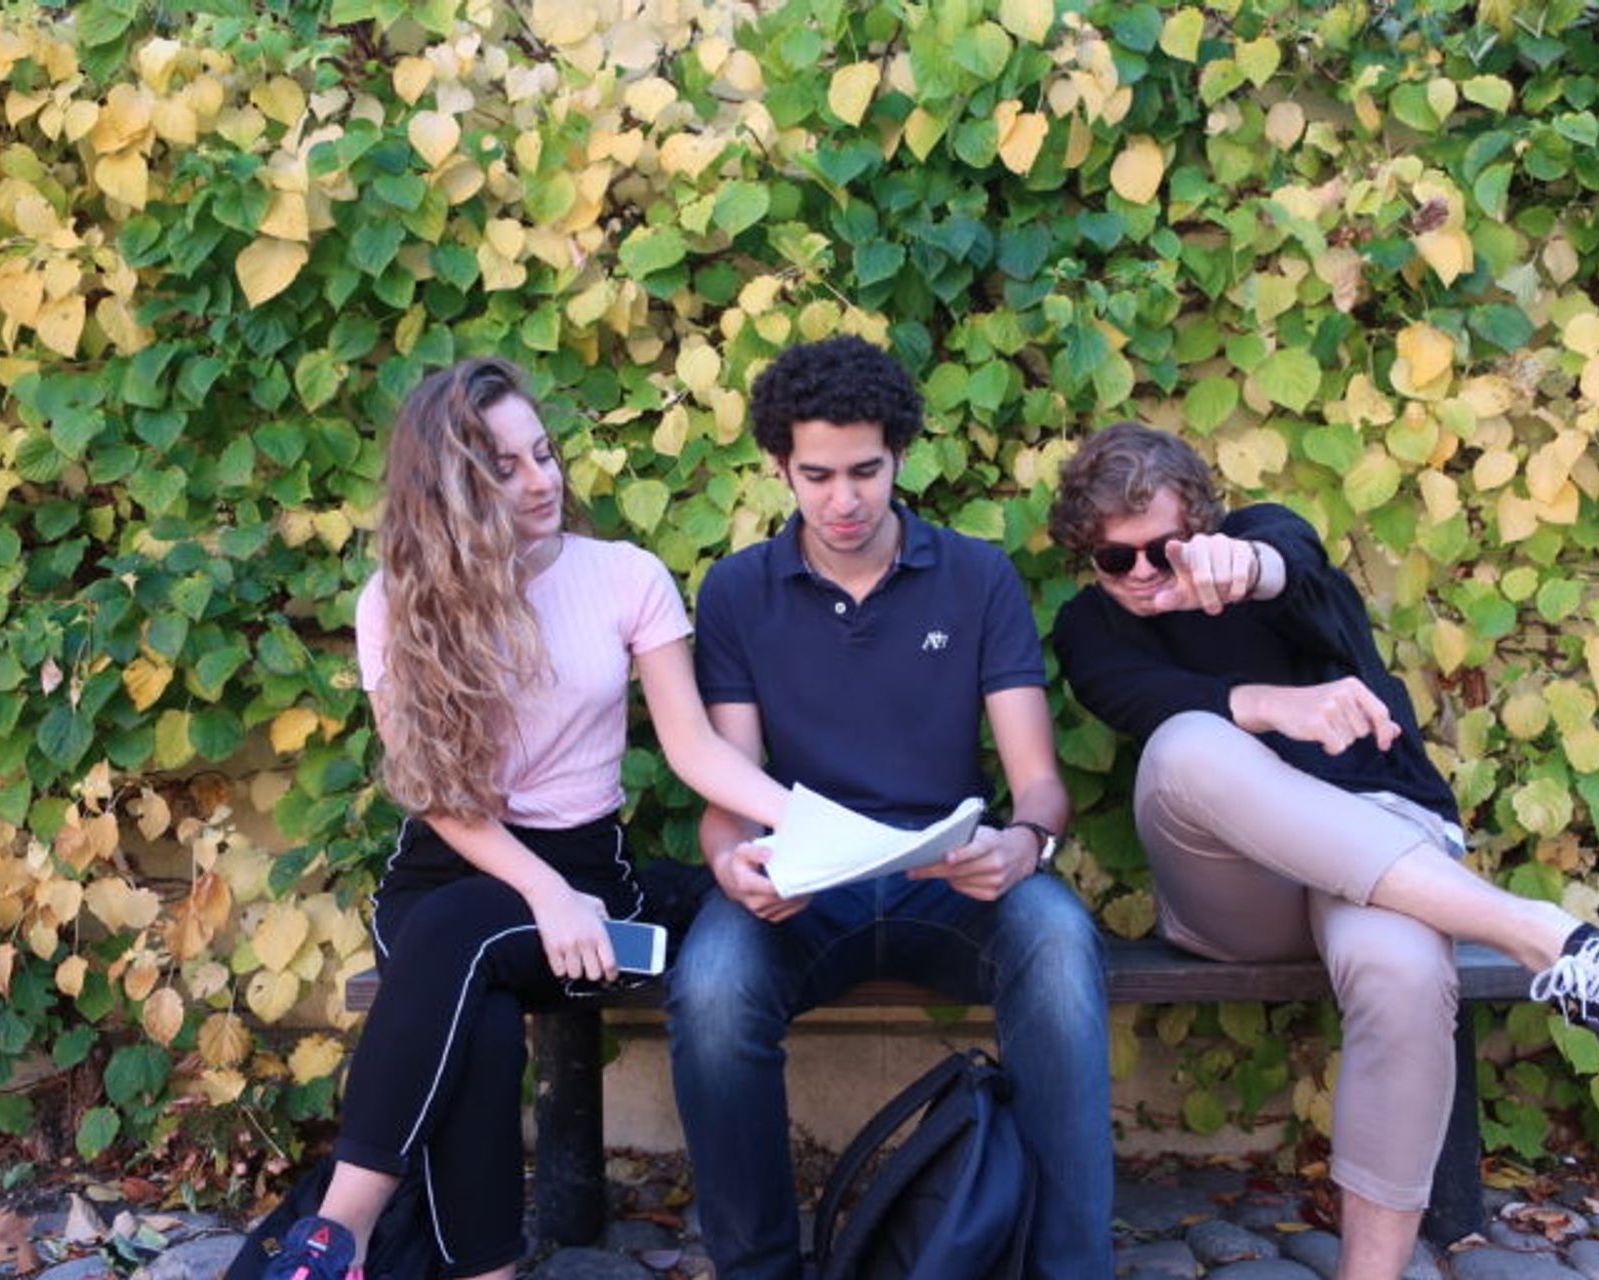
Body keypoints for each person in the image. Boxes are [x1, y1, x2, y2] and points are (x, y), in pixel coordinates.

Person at [1047, 422, 1599, 1280]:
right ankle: (1541, 935)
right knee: (1183, 746)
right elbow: (1155, 708)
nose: (1142, 574)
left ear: (1204, 526)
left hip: (1386, 842)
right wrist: (1279, 708)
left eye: (1164, 551)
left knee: (1401, 971)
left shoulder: (1266, 543)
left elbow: (1288, 565)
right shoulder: (1087, 631)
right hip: (1241, 885)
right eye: (1115, 559)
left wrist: (1240, 570)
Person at [262, 357, 791, 1280]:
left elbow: (695, 751)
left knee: (458, 941)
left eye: (542, 454)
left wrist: (823, 825)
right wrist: (538, 892)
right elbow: (433, 792)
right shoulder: (395, 602)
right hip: (451, 863)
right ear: (450, 488)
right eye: (503, 469)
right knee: (477, 1001)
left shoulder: (624, 575)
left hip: (588, 878)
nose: (542, 481)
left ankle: (337, 1231)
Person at [665, 335, 1115, 1280]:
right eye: (817, 474)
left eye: (866, 470)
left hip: (949, 880)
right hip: (807, 890)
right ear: (781, 466)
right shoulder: (741, 590)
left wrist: (1025, 843)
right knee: (710, 986)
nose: (844, 499)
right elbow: (726, 789)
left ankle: (1070, 1269)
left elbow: (1038, 782)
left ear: (900, 455)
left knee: (1060, 941)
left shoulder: (977, 576)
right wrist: (730, 864)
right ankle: (761, 1270)